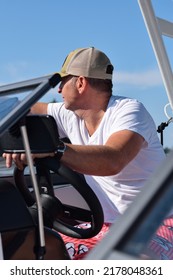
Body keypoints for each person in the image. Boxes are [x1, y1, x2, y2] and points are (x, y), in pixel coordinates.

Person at [3, 47, 170, 259]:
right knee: (31, 249)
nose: (59, 91)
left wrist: (53, 149)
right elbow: (20, 109)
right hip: (103, 226)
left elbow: (112, 160)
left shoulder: (130, 111)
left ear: (80, 83)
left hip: (155, 224)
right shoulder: (67, 114)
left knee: (129, 264)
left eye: (62, 82)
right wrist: (16, 140)